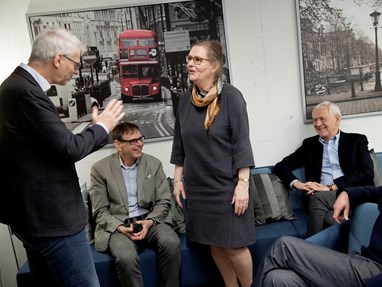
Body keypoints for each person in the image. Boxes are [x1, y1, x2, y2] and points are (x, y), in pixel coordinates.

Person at [0, 28, 124, 287]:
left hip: (31, 218)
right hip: (52, 220)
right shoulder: (26, 92)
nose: (77, 71)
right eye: (76, 63)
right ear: (58, 58)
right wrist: (103, 126)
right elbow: (69, 148)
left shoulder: (14, 86)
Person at [252, 127, 382, 287]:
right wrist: (347, 193)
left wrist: (379, 282)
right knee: (277, 279)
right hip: (364, 262)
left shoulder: (355, 140)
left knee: (284, 246)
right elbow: (377, 191)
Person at [170, 39, 255, 287]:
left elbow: (242, 143)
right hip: (198, 189)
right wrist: (177, 179)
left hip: (227, 188)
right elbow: (179, 144)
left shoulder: (231, 97)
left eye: (198, 59)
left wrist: (243, 185)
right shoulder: (185, 100)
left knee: (234, 248)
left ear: (214, 65)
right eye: (189, 58)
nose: (190, 64)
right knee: (215, 245)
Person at [90, 122, 180, 287]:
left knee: (171, 242)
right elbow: (100, 211)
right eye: (133, 141)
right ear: (118, 144)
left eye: (140, 139)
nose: (140, 144)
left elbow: (164, 201)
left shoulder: (154, 164)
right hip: (119, 225)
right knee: (125, 257)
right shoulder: (100, 169)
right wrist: (120, 227)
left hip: (150, 220)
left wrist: (149, 222)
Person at [274, 101, 374, 236]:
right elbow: (281, 166)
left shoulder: (357, 141)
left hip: (351, 192)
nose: (317, 124)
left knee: (321, 203)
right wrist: (299, 185)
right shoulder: (310, 145)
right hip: (320, 198)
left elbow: (367, 173)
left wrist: (331, 187)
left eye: (322, 119)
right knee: (328, 218)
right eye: (314, 120)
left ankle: (308, 252)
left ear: (337, 119)